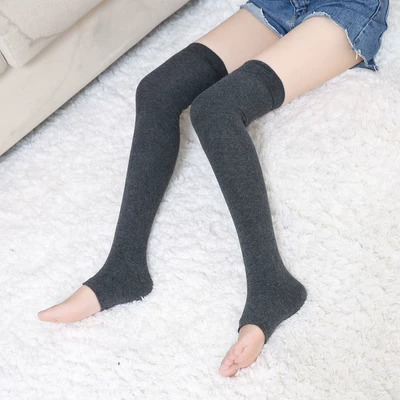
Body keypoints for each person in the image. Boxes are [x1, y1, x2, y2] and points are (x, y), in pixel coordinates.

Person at [37, 0, 389, 377]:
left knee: (217, 109)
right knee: (157, 91)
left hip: (345, 8)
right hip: (281, 4)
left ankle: (271, 284)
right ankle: (123, 267)